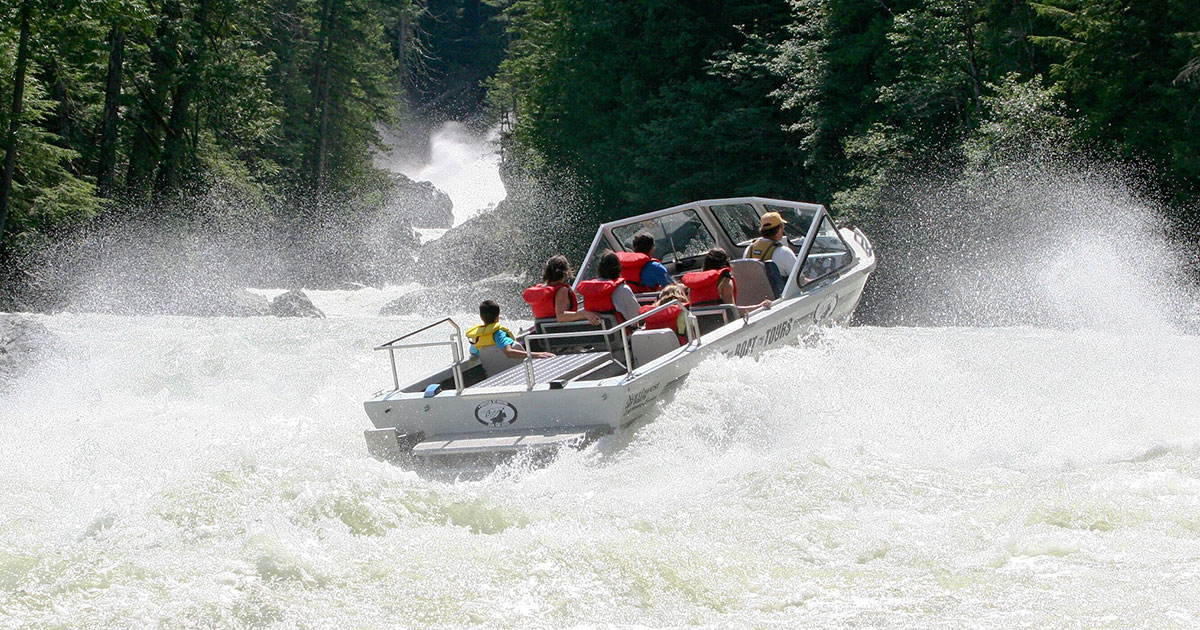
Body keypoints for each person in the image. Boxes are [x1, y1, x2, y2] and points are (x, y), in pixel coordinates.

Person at [683, 247, 771, 313]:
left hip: (701, 331)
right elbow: (732, 310)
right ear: (725, 263)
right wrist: (760, 306)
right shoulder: (724, 282)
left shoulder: (693, 286)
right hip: (723, 327)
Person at [522, 255, 602, 325]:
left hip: (546, 337)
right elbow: (561, 316)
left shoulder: (541, 289)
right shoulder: (562, 290)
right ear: (565, 272)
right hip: (562, 335)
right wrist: (585, 314)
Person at [466, 300, 553, 361]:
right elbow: (509, 352)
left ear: (481, 317)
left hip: (493, 374)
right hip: (514, 371)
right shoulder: (499, 334)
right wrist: (537, 355)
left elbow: (473, 352)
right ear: (497, 317)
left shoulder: (477, 337)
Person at [576, 251, 640, 322]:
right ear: (618, 268)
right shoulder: (622, 289)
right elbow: (637, 317)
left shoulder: (589, 290)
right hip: (622, 332)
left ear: (599, 269)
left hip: (596, 332)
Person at [744, 211, 798, 280]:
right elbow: (800, 280)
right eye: (782, 226)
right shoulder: (784, 252)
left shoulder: (749, 249)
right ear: (780, 228)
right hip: (781, 291)